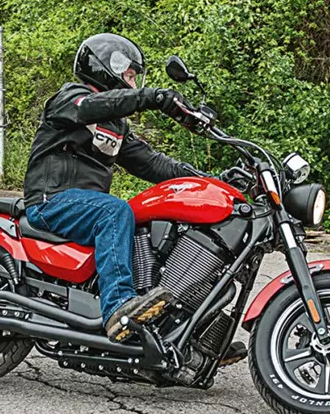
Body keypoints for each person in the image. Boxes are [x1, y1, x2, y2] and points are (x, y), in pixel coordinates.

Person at [22, 33, 209, 344]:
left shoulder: (115, 126)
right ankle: (118, 310)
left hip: (85, 205)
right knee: (115, 210)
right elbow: (94, 106)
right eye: (130, 75)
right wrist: (154, 97)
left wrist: (205, 180)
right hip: (50, 201)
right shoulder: (70, 100)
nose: (132, 83)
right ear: (106, 66)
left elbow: (152, 164)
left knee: (152, 223)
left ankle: (188, 331)